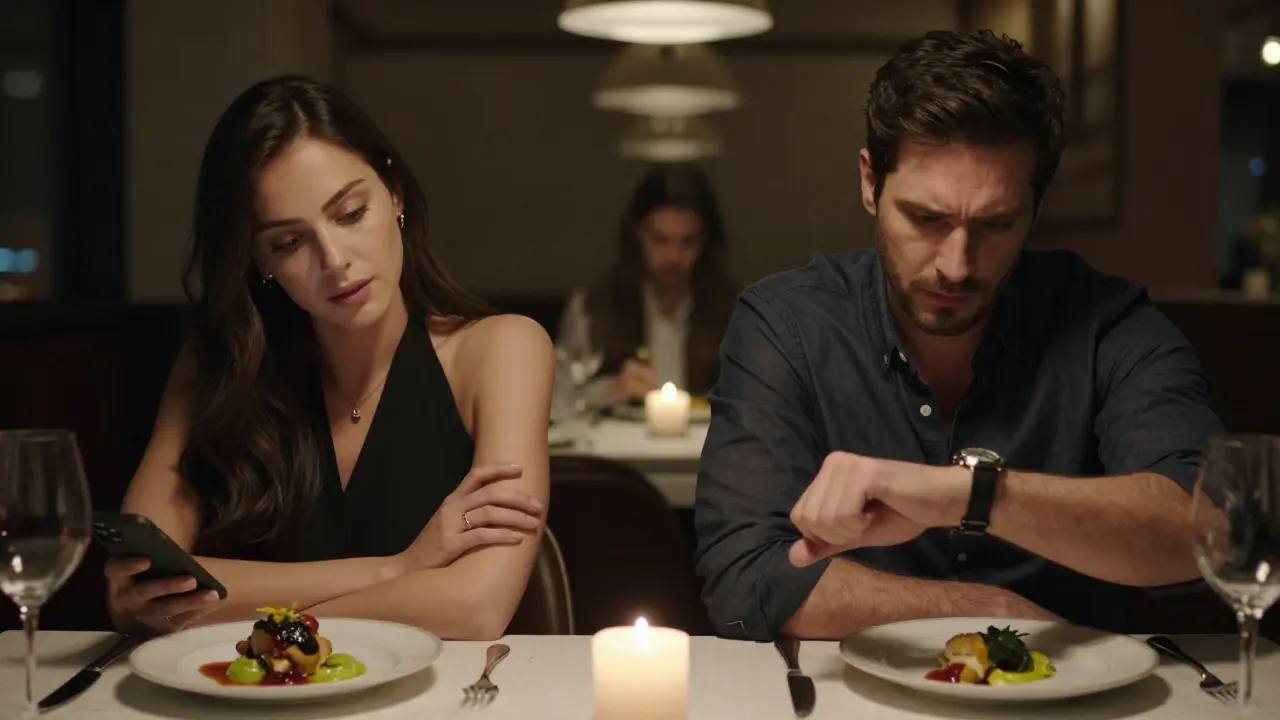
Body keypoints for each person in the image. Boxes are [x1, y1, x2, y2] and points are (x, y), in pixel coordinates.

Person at [693, 30, 1222, 642]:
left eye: (995, 224)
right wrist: (995, 613)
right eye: (926, 218)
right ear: (870, 183)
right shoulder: (788, 323)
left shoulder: (1107, 322)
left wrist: (970, 497)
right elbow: (745, 580)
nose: (957, 264)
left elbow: (1205, 531)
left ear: (1037, 206)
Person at [106, 76, 555, 640]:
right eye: (290, 242)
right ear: (258, 260)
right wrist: (395, 570)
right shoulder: (213, 369)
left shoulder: (501, 349)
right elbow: (142, 590)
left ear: (393, 192)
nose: (335, 260)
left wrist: (253, 615)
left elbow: (476, 606)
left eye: (349, 213)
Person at [558, 163, 739, 405]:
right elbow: (558, 401)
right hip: (616, 442)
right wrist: (610, 390)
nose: (673, 256)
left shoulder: (735, 310)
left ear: (706, 242)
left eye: (688, 242)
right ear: (637, 233)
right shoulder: (594, 307)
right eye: (660, 239)